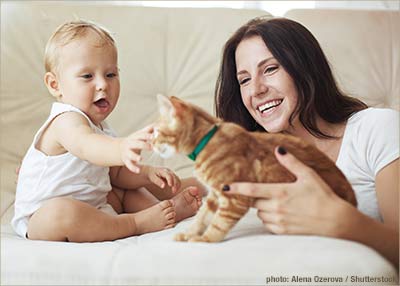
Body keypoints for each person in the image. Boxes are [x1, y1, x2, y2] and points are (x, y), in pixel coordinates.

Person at [214, 17, 399, 267]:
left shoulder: (376, 129)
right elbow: (188, 189)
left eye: (270, 69)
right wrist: (146, 171)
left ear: (305, 67)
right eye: (244, 80)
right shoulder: (258, 158)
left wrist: (341, 221)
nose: (256, 90)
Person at [12, 20, 206, 243]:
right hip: (43, 220)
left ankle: (164, 210)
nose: (103, 84)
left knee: (125, 188)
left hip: (96, 208)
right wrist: (122, 147)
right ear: (55, 85)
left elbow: (114, 173)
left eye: (111, 75)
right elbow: (86, 145)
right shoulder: (65, 120)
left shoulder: (103, 129)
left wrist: (146, 173)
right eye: (87, 76)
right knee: (62, 213)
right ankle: (136, 223)